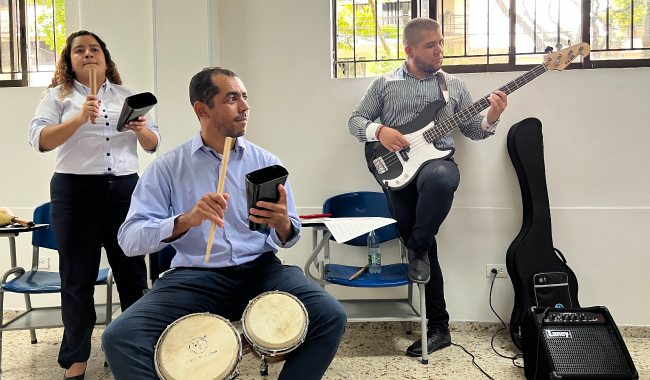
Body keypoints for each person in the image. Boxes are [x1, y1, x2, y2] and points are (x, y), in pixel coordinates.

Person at [101, 67, 347, 380]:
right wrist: (185, 220)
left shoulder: (266, 162)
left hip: (261, 270)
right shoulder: (167, 168)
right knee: (119, 337)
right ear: (201, 109)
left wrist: (282, 222)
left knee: (330, 315)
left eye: (244, 97)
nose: (245, 107)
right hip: (194, 277)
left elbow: (289, 236)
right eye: (232, 98)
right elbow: (129, 239)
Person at [348, 18, 507, 358]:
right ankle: (440, 328)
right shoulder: (384, 85)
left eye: (441, 43)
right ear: (409, 50)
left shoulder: (454, 86)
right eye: (430, 45)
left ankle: (417, 248)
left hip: (436, 165)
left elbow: (472, 132)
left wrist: (491, 118)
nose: (439, 51)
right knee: (427, 248)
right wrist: (379, 132)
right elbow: (355, 121)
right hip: (396, 173)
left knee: (439, 179)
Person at [28, 30, 160, 379]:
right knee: (77, 279)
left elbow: (152, 143)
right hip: (74, 193)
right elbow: (40, 140)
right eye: (79, 50)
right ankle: (76, 361)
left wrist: (139, 129)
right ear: (69, 60)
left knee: (132, 275)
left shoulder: (128, 95)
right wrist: (77, 119)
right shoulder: (59, 95)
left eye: (94, 49)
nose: (88, 54)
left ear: (105, 57)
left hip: (126, 192)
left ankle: (137, 350)